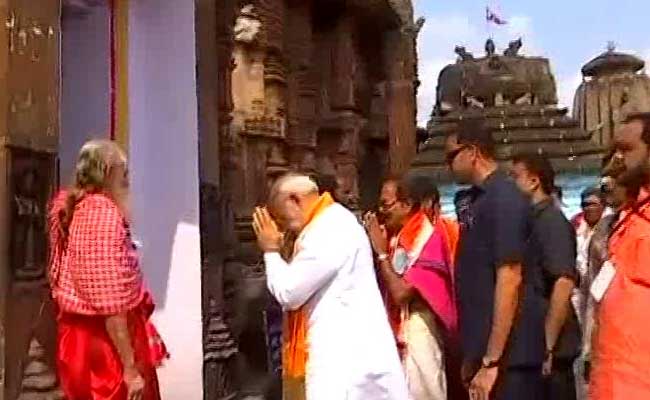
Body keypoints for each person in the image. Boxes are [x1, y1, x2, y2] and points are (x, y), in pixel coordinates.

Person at [251, 173, 408, 400]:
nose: (285, 230)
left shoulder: (329, 230)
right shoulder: (330, 223)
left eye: (283, 220)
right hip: (347, 352)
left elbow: (289, 292)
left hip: (342, 355)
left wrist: (270, 251)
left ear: (295, 200)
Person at [47, 139, 168, 400]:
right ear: (108, 172)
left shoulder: (73, 207)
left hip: (78, 340)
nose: (127, 181)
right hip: (104, 344)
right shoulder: (101, 215)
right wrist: (130, 369)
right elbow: (110, 303)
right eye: (123, 175)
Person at [444, 117, 533, 400]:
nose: (448, 164)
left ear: (472, 152)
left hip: (506, 357)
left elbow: (509, 278)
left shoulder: (503, 198)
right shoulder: (479, 201)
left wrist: (491, 361)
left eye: (451, 156)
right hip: (483, 350)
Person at [365, 172, 462, 400]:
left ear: (407, 205)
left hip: (420, 328)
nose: (381, 211)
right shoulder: (395, 235)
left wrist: (380, 253)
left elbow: (401, 294)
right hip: (397, 329)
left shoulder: (427, 236)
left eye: (386, 205)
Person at [510, 153, 580, 400]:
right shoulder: (529, 223)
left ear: (533, 181)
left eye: (515, 177)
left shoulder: (551, 222)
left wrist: (547, 345)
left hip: (551, 350)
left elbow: (562, 283)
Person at [590, 112, 650, 399]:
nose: (615, 159)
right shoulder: (624, 218)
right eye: (613, 150)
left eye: (626, 150)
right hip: (610, 381)